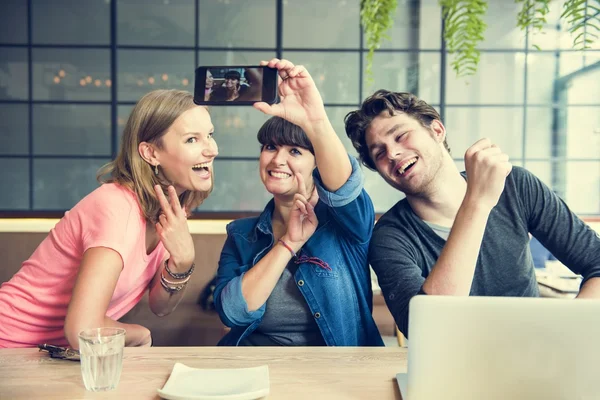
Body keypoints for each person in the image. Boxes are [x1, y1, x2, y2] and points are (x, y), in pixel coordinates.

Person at [344, 90, 600, 337]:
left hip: (537, 362)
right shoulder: (389, 237)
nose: (393, 153)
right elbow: (430, 331)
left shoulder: (515, 186)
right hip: (450, 373)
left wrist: (569, 333)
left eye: (400, 136)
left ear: (437, 130)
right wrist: (477, 202)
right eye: (379, 153)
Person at [0, 89, 218, 349]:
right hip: (9, 347)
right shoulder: (116, 207)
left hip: (56, 354)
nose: (212, 150)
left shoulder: (171, 209)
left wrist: (183, 262)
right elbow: (83, 330)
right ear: (150, 153)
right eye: (192, 139)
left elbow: (161, 306)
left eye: (210, 135)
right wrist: (139, 333)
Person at [214, 58, 383, 346]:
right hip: (256, 370)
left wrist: (314, 120)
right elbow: (233, 313)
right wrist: (288, 244)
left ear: (318, 164)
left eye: (295, 151)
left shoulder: (348, 226)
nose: (277, 160)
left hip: (335, 376)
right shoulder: (241, 234)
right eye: (270, 147)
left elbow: (345, 187)